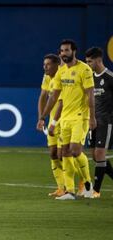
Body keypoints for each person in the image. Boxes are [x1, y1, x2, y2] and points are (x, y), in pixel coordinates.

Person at [37, 39, 96, 200]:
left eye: (67, 50)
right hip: (64, 119)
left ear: (74, 51)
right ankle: (69, 191)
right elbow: (53, 97)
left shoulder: (84, 69)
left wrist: (92, 116)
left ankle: (88, 184)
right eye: (62, 51)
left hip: (80, 117)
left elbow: (90, 94)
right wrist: (43, 117)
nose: (64, 53)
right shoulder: (61, 73)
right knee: (63, 153)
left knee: (76, 150)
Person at [85, 46, 113, 198]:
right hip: (93, 122)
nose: (87, 64)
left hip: (107, 122)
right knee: (95, 156)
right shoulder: (90, 78)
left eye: (90, 61)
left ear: (98, 60)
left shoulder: (110, 77)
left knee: (100, 154)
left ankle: (96, 190)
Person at [37, 54, 65, 197]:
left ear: (56, 65)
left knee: (63, 154)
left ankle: (83, 183)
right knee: (53, 154)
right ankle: (61, 187)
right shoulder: (47, 77)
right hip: (52, 120)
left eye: (48, 64)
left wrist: (52, 121)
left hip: (64, 119)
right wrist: (41, 118)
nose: (45, 67)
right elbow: (43, 97)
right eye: (44, 64)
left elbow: (60, 102)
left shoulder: (62, 77)